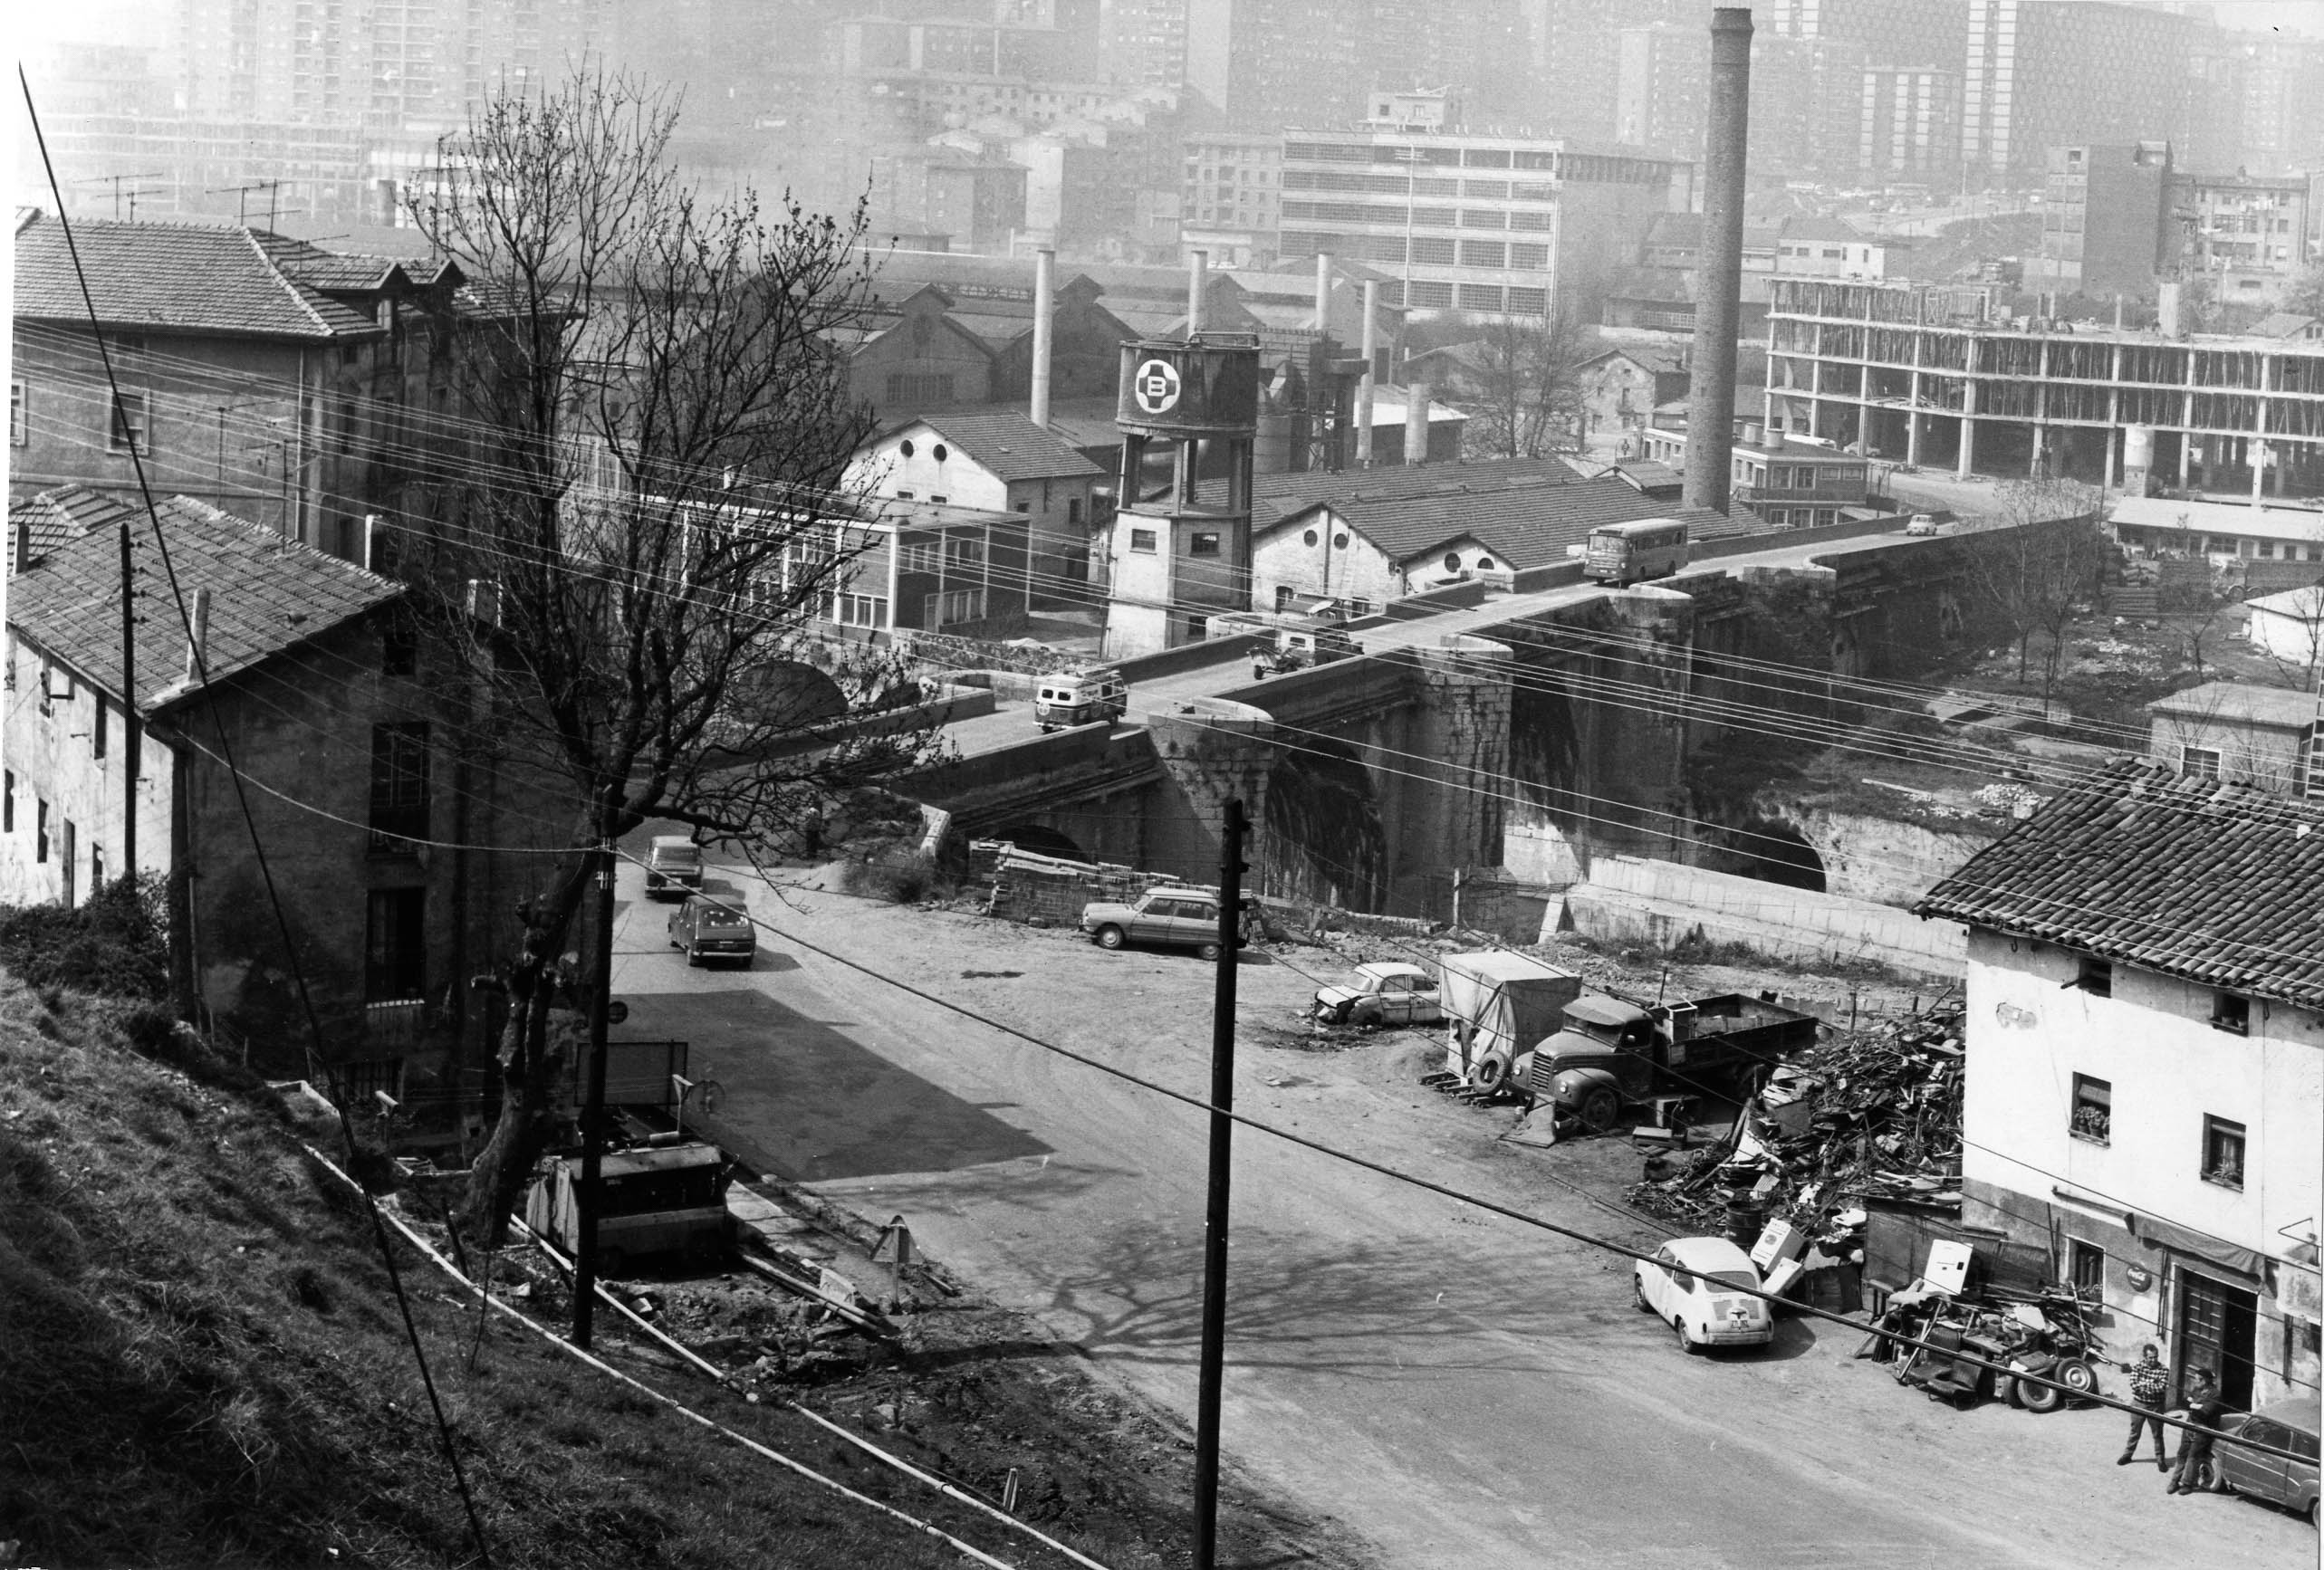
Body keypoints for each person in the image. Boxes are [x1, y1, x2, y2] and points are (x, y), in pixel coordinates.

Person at [2168, 1371, 2225, 1495]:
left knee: (2193, 1456)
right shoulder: (2196, 1389)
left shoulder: (2215, 1395)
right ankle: (2174, 1481)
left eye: (2197, 1379)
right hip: (2190, 1424)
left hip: (2204, 1428)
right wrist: (2196, 1405)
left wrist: (2192, 1405)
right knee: (2182, 1453)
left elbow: (2206, 1411)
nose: (2194, 1381)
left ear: (2204, 1381)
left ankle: (2187, 1484)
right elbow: (2184, 1402)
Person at [2117, 1345, 2171, 1470]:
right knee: (2135, 1432)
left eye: (2155, 1357)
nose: (2154, 1360)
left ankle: (2160, 1459)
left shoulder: (2163, 1369)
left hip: (2156, 1406)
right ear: (2145, 1357)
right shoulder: (2138, 1367)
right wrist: (2152, 1384)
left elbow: (2161, 1388)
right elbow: (2134, 1385)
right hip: (2139, 1404)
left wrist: (2144, 1385)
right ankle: (2127, 1455)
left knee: (2158, 1434)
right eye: (2150, 1358)